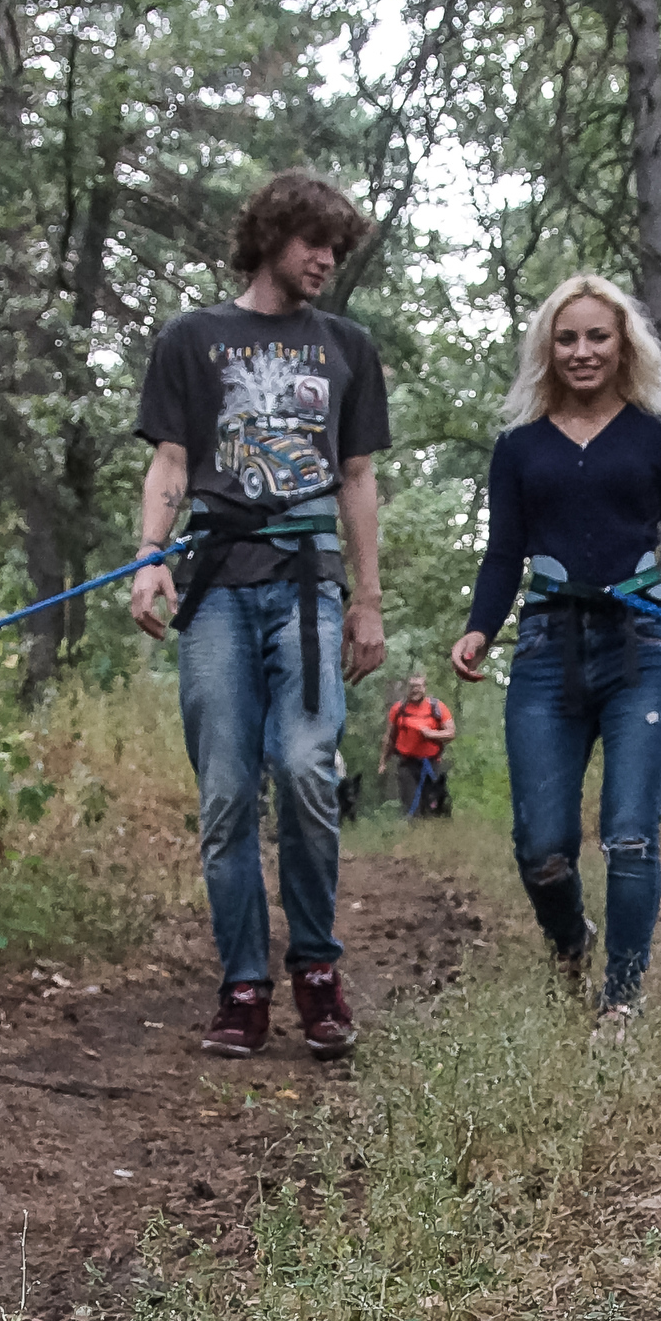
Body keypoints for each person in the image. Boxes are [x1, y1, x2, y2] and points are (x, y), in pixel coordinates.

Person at [129, 171, 390, 1059]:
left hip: (310, 584)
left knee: (309, 765)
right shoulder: (193, 339)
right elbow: (169, 462)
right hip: (215, 591)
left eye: (335, 248)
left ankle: (316, 967)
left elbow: (358, 479)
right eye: (313, 242)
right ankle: (244, 982)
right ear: (271, 237)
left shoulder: (348, 345)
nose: (325, 260)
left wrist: (367, 601)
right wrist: (148, 559)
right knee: (229, 790)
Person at [450, 274, 661, 1017]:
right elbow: (502, 553)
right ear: (547, 348)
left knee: (630, 835)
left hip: (643, 646)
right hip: (545, 649)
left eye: (597, 336)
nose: (582, 351)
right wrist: (480, 626)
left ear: (624, 344)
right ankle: (572, 939)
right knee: (541, 847)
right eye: (566, 337)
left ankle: (621, 1002)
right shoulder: (518, 446)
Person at [386, 672, 457, 818]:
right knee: (411, 805)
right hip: (407, 764)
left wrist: (432, 734)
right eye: (411, 686)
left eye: (418, 686)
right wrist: (383, 761)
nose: (414, 689)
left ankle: (435, 835)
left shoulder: (437, 707)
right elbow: (389, 738)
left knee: (433, 803)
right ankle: (414, 835)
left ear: (425, 687)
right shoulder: (398, 709)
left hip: (431, 763)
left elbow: (451, 733)